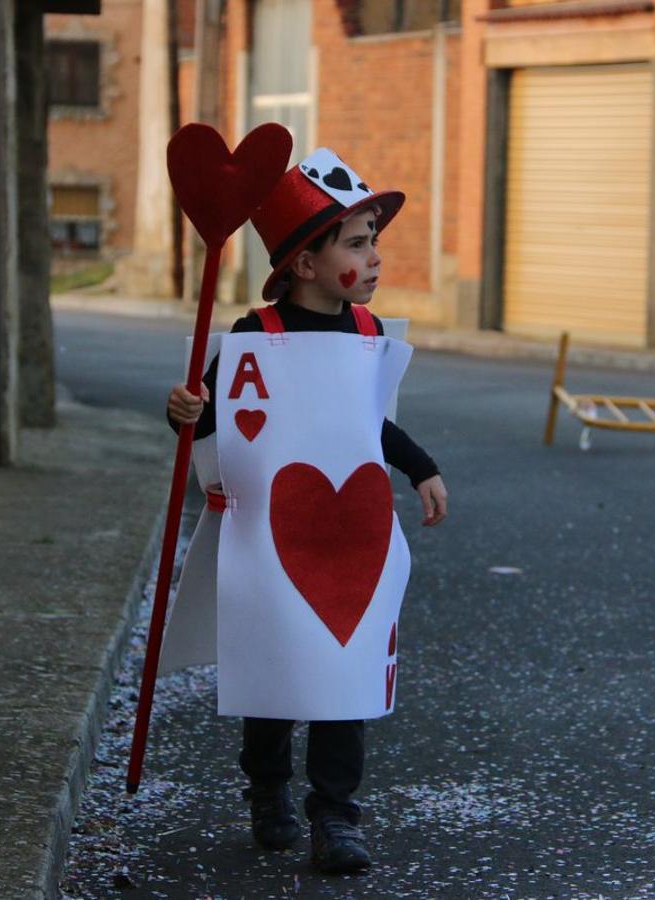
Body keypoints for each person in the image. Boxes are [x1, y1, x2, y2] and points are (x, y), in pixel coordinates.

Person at [165, 149, 448, 874]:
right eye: (356, 243)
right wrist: (187, 411)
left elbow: (370, 425)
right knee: (276, 666)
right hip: (267, 535)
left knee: (343, 673)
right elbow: (210, 418)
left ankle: (336, 816)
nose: (374, 256)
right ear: (303, 263)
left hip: (350, 534)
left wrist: (420, 468)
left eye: (373, 240)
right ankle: (268, 789)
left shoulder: (365, 334)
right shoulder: (256, 337)